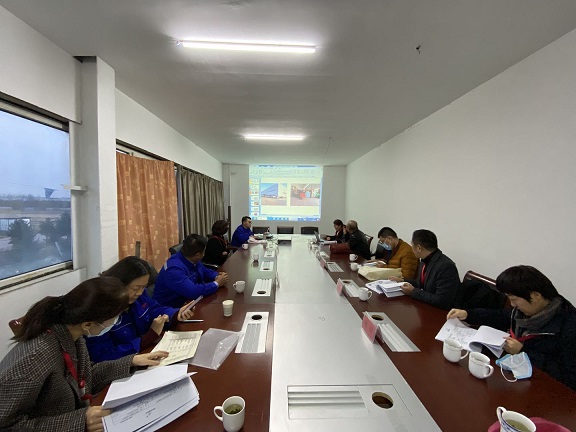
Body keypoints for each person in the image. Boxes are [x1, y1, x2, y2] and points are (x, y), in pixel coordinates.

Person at [0, 277, 168, 432]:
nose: (116, 322)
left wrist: (131, 361)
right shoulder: (35, 357)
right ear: (88, 324)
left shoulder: (72, 334)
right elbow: (7, 426)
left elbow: (84, 377)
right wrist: (80, 421)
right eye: (116, 318)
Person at [447, 265, 576, 391]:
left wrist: (524, 352)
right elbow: (502, 316)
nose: (512, 304)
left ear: (536, 295)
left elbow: (570, 377)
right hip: (512, 375)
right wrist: (468, 314)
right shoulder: (524, 312)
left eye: (514, 299)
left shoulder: (570, 327)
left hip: (543, 390)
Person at [85, 256, 196, 363]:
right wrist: (149, 337)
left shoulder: (139, 295)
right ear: (120, 284)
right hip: (125, 365)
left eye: (143, 287)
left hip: (146, 351)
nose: (139, 292)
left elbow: (154, 309)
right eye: (136, 288)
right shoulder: (101, 308)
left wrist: (176, 314)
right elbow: (104, 356)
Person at [153, 234, 229, 308]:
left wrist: (217, 276)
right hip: (170, 310)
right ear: (197, 255)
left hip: (189, 301)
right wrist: (216, 284)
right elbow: (193, 292)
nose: (204, 254)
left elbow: (204, 270)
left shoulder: (190, 258)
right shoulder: (173, 269)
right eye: (204, 251)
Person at [391, 229, 460, 310]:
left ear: (419, 248)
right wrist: (402, 280)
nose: (412, 248)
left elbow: (442, 300)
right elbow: (420, 283)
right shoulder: (424, 260)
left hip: (442, 312)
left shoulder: (446, 266)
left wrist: (413, 291)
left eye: (412, 245)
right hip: (425, 306)